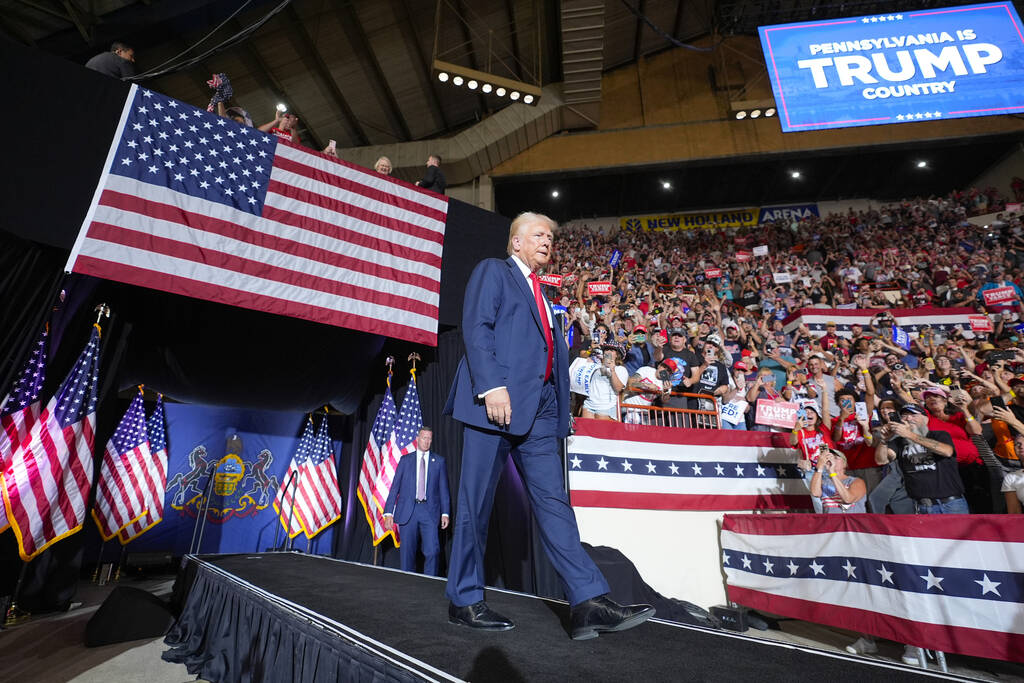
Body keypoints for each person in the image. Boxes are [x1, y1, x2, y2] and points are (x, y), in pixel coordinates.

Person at [443, 212, 654, 639]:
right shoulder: (494, 271)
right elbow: (476, 326)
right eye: (539, 235)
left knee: (556, 504)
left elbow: (549, 359)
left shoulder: (544, 293)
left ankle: (588, 602)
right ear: (515, 243)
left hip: (539, 413)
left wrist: (560, 412)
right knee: (474, 504)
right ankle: (464, 600)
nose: (548, 241)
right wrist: (490, 385)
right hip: (494, 405)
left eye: (551, 237)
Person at [382, 427, 450, 576]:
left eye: (429, 439)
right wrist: (388, 512)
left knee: (432, 551)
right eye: (424, 438)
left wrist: (445, 513)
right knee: (407, 554)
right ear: (417, 439)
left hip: (429, 511)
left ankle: (429, 582)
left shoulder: (439, 461)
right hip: (408, 512)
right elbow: (395, 487)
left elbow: (444, 489)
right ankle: (408, 585)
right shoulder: (405, 460)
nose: (426, 441)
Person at [581, 345, 628, 420]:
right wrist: (591, 349)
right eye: (606, 350)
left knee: (602, 431)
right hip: (589, 405)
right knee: (586, 431)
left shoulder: (621, 369)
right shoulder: (596, 365)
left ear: (617, 355)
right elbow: (580, 361)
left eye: (612, 350)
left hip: (606, 407)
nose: (608, 352)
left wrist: (612, 370)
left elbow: (618, 388)